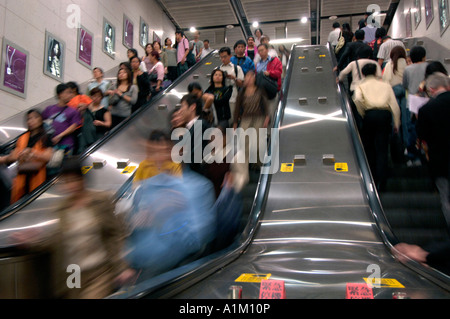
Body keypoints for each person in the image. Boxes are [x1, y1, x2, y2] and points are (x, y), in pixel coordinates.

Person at [10, 157, 136, 298]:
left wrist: (122, 267)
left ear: (83, 179)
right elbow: (57, 239)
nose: (72, 185)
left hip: (99, 270)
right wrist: (32, 241)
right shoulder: (61, 208)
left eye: (75, 179)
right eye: (67, 181)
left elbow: (115, 235)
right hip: (73, 271)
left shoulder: (101, 201)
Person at [353, 63, 401, 191]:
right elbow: (395, 106)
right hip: (384, 116)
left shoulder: (361, 86)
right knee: (382, 148)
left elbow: (357, 99)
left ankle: (371, 178)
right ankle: (382, 181)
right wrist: (396, 123)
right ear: (375, 73)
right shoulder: (385, 85)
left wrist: (363, 113)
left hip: (369, 115)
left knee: (369, 148)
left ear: (362, 74)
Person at [416, 73, 450, 230]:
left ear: (430, 89)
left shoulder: (426, 109)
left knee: (446, 198)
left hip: (441, 161)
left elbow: (422, 136)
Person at [0, 109, 54, 204]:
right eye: (29, 119)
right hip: (22, 174)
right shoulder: (22, 138)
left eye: (35, 117)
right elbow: (13, 156)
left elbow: (48, 157)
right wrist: (18, 155)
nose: (31, 121)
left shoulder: (46, 137)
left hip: (37, 174)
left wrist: (32, 152)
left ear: (41, 119)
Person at [233, 70, 270, 171]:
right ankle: (246, 165)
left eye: (251, 77)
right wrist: (235, 123)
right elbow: (237, 108)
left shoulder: (260, 90)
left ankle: (259, 164)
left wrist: (267, 117)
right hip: (246, 118)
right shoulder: (241, 92)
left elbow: (265, 104)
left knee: (258, 141)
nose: (248, 79)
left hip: (259, 117)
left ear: (254, 78)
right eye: (247, 77)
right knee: (244, 141)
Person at [172, 94, 210, 175]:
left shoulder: (200, 125)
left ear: (192, 107)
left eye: (182, 106)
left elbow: (193, 157)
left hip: (197, 175)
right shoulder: (190, 127)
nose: (180, 111)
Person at [402, 46, 428, 163]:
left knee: (413, 128)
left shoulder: (408, 69)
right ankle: (426, 153)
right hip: (427, 100)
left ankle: (413, 155)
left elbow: (405, 85)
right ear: (424, 57)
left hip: (413, 102)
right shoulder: (429, 67)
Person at [42, 83, 82, 156]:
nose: (70, 95)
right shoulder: (49, 109)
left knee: (63, 166)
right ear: (60, 94)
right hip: (49, 144)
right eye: (67, 93)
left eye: (70, 92)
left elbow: (73, 127)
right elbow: (41, 121)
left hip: (66, 144)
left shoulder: (73, 111)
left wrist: (60, 136)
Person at [382, 46, 408, 151]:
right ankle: (407, 144)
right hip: (405, 90)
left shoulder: (389, 64)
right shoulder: (407, 63)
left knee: (395, 118)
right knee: (406, 119)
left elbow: (385, 80)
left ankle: (397, 144)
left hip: (393, 91)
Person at [256, 43, 283, 122]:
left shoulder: (275, 60)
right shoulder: (258, 64)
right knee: (263, 114)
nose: (260, 52)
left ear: (267, 50)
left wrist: (269, 73)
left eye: (262, 50)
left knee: (271, 113)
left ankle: (272, 133)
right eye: (259, 51)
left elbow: (279, 72)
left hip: (271, 90)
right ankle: (265, 133)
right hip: (261, 92)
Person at [219, 47, 245, 126]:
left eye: (225, 56)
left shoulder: (237, 68)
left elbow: (242, 84)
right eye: (221, 57)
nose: (223, 59)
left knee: (232, 120)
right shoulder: (217, 69)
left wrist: (234, 78)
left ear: (230, 56)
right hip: (220, 98)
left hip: (232, 97)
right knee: (221, 122)